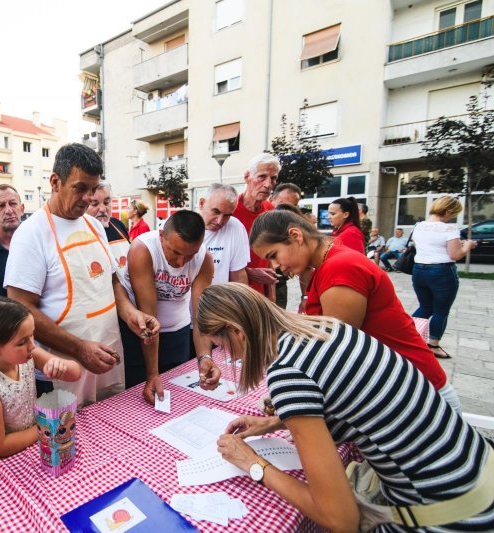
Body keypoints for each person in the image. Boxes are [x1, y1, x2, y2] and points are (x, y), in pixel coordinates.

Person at [198, 283, 494, 532]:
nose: (227, 356)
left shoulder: (287, 373)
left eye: (221, 346)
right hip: (476, 470)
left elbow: (340, 519)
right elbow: (350, 396)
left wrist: (252, 463)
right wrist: (274, 422)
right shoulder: (323, 328)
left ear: (237, 332)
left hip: (450, 514)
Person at [250, 210, 459, 410]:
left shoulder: (338, 267)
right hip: (401, 385)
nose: (275, 266)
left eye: (274, 255)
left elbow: (336, 351)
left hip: (417, 395)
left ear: (295, 235)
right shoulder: (330, 261)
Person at [4, 143, 159, 405]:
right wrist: (78, 348)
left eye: (93, 189)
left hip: (107, 354)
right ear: (55, 182)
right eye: (80, 188)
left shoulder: (94, 226)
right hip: (61, 367)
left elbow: (110, 282)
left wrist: (132, 315)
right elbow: (21, 307)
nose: (88, 198)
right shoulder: (31, 234)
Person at [120, 210, 219, 403]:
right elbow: (149, 318)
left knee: (175, 396)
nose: (181, 262)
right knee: (139, 395)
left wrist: (205, 357)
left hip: (177, 333)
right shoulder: (143, 249)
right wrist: (153, 373)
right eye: (175, 252)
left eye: (190, 255)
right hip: (138, 334)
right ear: (161, 236)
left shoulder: (204, 259)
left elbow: (201, 316)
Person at [0, 297, 81, 460]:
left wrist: (61, 365)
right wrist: (45, 428)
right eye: (22, 342)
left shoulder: (29, 355)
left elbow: (75, 373)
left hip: (29, 447)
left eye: (32, 335)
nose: (32, 345)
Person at [412, 196, 477, 360]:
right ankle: (433, 345)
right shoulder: (449, 229)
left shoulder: (418, 226)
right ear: (447, 211)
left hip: (419, 270)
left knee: (425, 307)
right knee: (441, 310)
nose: (452, 217)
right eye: (453, 213)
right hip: (441, 271)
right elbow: (455, 255)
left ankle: (409, 336)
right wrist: (467, 246)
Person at [233, 153, 279, 298]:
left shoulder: (270, 210)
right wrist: (249, 273)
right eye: (262, 177)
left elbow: (270, 257)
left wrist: (271, 298)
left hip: (259, 295)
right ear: (247, 177)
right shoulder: (229, 211)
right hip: (233, 294)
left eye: (273, 178)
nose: (268, 184)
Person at [198, 183, 249, 285]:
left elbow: (238, 276)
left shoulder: (235, 227)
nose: (220, 221)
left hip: (218, 300)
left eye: (227, 215)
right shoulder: (178, 225)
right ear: (202, 203)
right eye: (216, 212)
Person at [86, 182, 131, 278]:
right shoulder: (80, 233)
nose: (103, 209)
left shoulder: (118, 225)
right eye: (94, 204)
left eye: (106, 203)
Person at [270, 183, 303, 308]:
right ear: (271, 200)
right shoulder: (259, 222)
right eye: (283, 205)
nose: (287, 211)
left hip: (280, 283)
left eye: (293, 206)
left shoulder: (295, 228)